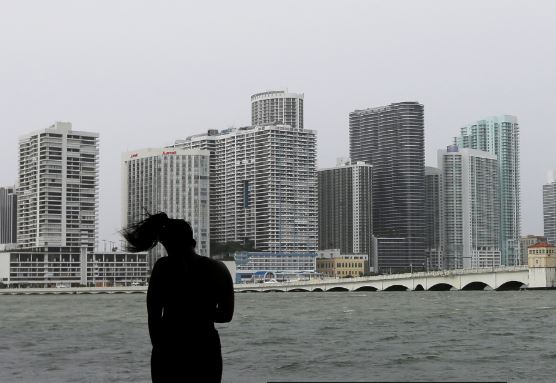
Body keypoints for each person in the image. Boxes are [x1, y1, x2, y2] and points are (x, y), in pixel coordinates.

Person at [122, 212, 234, 382]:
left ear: (165, 243)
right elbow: (226, 316)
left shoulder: (162, 269)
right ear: (192, 242)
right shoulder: (218, 269)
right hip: (205, 348)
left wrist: (159, 350)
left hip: (169, 348)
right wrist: (200, 309)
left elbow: (153, 317)